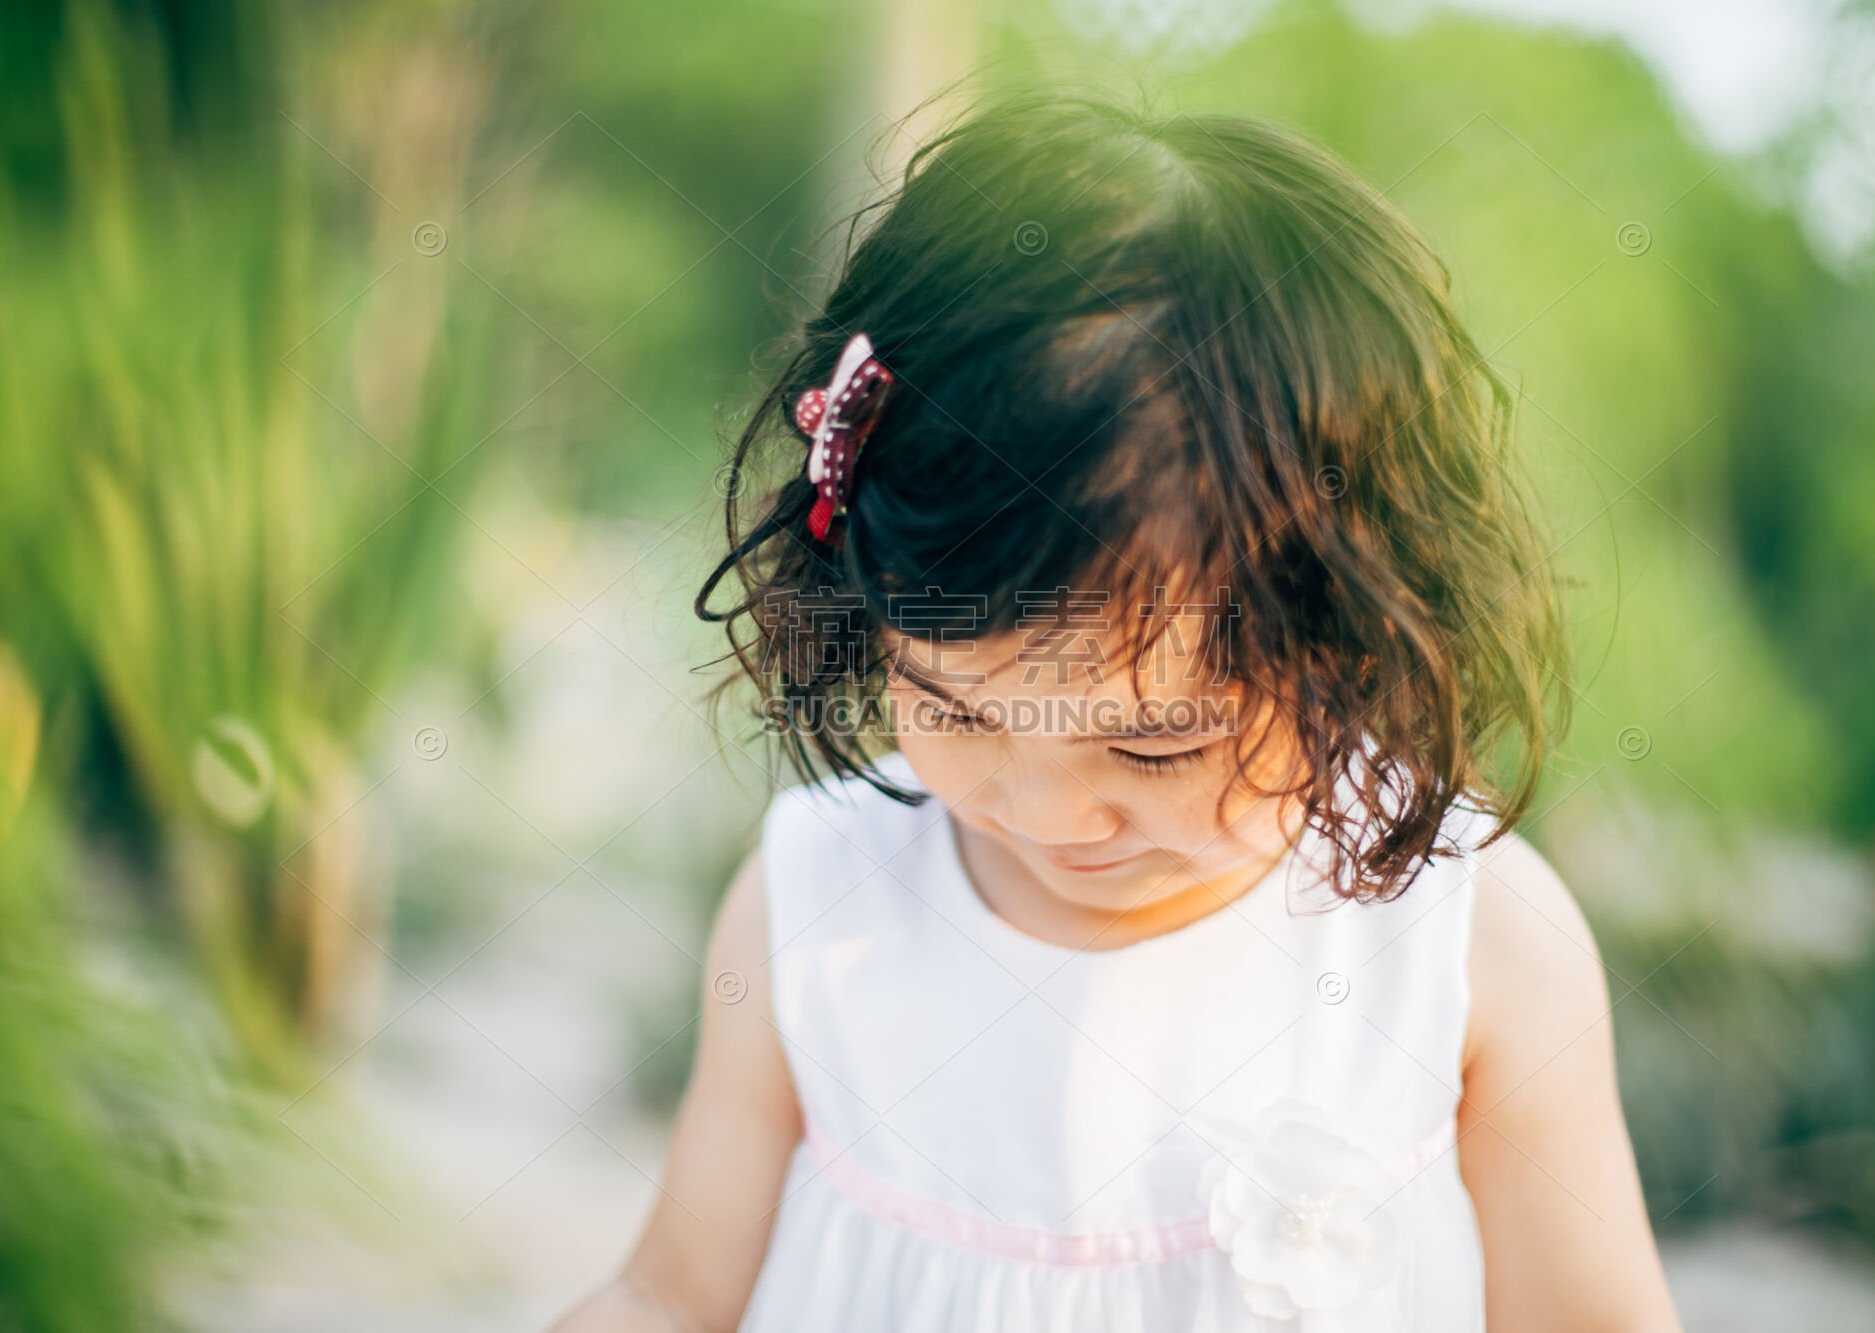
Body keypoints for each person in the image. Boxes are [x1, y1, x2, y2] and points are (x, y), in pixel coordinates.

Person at [551, 87, 1683, 1332]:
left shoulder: (1468, 950)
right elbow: (671, 1293)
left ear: (1357, 642)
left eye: (1154, 741)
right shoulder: (816, 905)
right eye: (956, 709)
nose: (1043, 808)